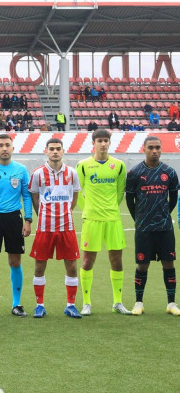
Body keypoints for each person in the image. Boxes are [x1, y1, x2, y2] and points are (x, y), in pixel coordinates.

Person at [76, 128, 130, 315]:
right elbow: (78, 191)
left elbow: (120, 192)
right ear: (94, 143)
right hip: (92, 219)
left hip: (113, 219)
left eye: (106, 140)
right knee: (88, 260)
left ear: (109, 142)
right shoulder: (83, 165)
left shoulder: (119, 165)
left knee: (117, 260)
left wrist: (111, 208)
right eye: (99, 140)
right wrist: (88, 209)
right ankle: (87, 302)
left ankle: (117, 302)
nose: (103, 144)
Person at [125, 136, 180, 316]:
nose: (154, 150)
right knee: (142, 265)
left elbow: (172, 200)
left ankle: (171, 303)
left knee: (169, 265)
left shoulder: (170, 172)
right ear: (144, 149)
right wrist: (140, 218)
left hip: (165, 228)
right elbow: (130, 200)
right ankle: (138, 302)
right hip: (144, 229)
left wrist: (163, 214)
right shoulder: (134, 173)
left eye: (157, 147)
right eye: (151, 147)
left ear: (161, 149)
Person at [28, 138, 82, 318]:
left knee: (72, 266)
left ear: (63, 151)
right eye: (52, 149)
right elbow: (35, 197)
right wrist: (43, 214)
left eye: (58, 149)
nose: (55, 152)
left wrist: (65, 211)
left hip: (66, 226)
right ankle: (39, 305)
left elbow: (74, 197)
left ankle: (71, 305)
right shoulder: (37, 174)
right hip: (45, 227)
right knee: (39, 266)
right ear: (46, 151)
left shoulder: (72, 173)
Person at [0, 134, 32, 318]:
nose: (4, 148)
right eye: (0, 145)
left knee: (15, 262)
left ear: (13, 148)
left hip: (14, 219)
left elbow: (26, 196)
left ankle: (17, 304)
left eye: (7, 145)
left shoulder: (21, 170)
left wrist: (28, 220)